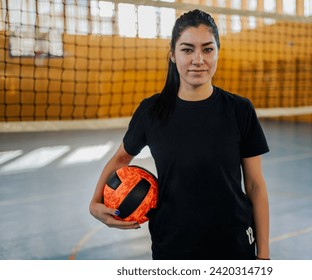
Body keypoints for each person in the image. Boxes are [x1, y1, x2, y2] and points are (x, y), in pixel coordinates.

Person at [89, 9, 270, 260]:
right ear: (173, 54)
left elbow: (255, 185)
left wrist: (264, 256)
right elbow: (121, 158)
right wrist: (95, 203)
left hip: (234, 244)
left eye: (207, 49)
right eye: (187, 49)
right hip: (172, 245)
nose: (198, 59)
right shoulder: (151, 111)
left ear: (218, 52)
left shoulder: (240, 110)